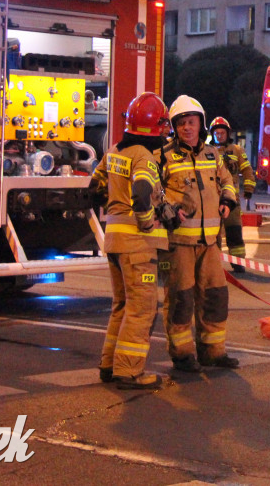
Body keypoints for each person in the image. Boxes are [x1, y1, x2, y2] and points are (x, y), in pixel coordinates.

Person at [90, 92, 170, 390]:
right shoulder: (143, 156)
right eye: (162, 123)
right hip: (137, 246)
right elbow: (140, 193)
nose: (166, 129)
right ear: (153, 126)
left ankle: (109, 365)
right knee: (142, 309)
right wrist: (148, 220)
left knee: (122, 305)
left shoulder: (114, 151)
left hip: (113, 242)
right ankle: (129, 371)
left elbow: (94, 187)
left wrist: (114, 204)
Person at [156, 96, 240, 372]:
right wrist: (166, 209)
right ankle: (182, 355)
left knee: (215, 297)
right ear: (174, 127)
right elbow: (153, 191)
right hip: (179, 243)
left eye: (191, 123)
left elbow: (227, 181)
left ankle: (213, 352)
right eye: (181, 124)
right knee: (181, 299)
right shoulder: (163, 157)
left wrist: (227, 201)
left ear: (201, 124)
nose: (187, 128)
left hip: (210, 242)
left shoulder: (212, 155)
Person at [208, 116, 256, 273]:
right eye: (217, 133)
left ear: (227, 134)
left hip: (232, 200)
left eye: (222, 133)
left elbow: (247, 170)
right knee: (212, 234)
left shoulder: (236, 150)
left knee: (234, 232)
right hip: (212, 200)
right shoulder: (206, 151)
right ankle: (212, 263)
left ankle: (238, 263)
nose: (219, 136)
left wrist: (248, 189)